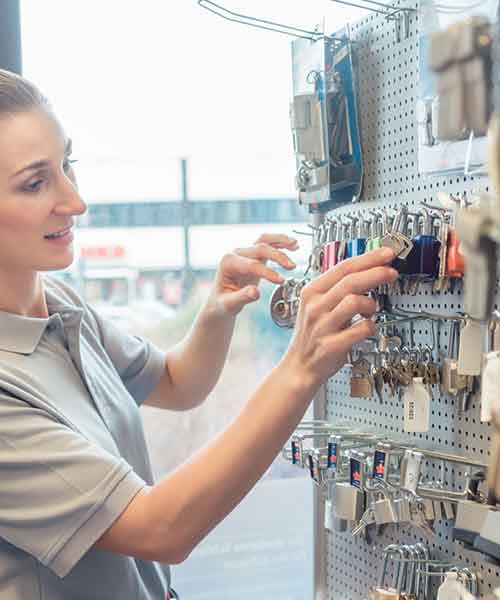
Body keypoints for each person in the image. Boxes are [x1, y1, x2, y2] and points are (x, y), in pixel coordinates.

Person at [0, 68, 398, 600]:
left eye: (67, 164)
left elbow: (177, 383)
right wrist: (299, 369)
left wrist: (216, 312)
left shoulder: (60, 304)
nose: (75, 202)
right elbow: (161, 529)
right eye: (34, 183)